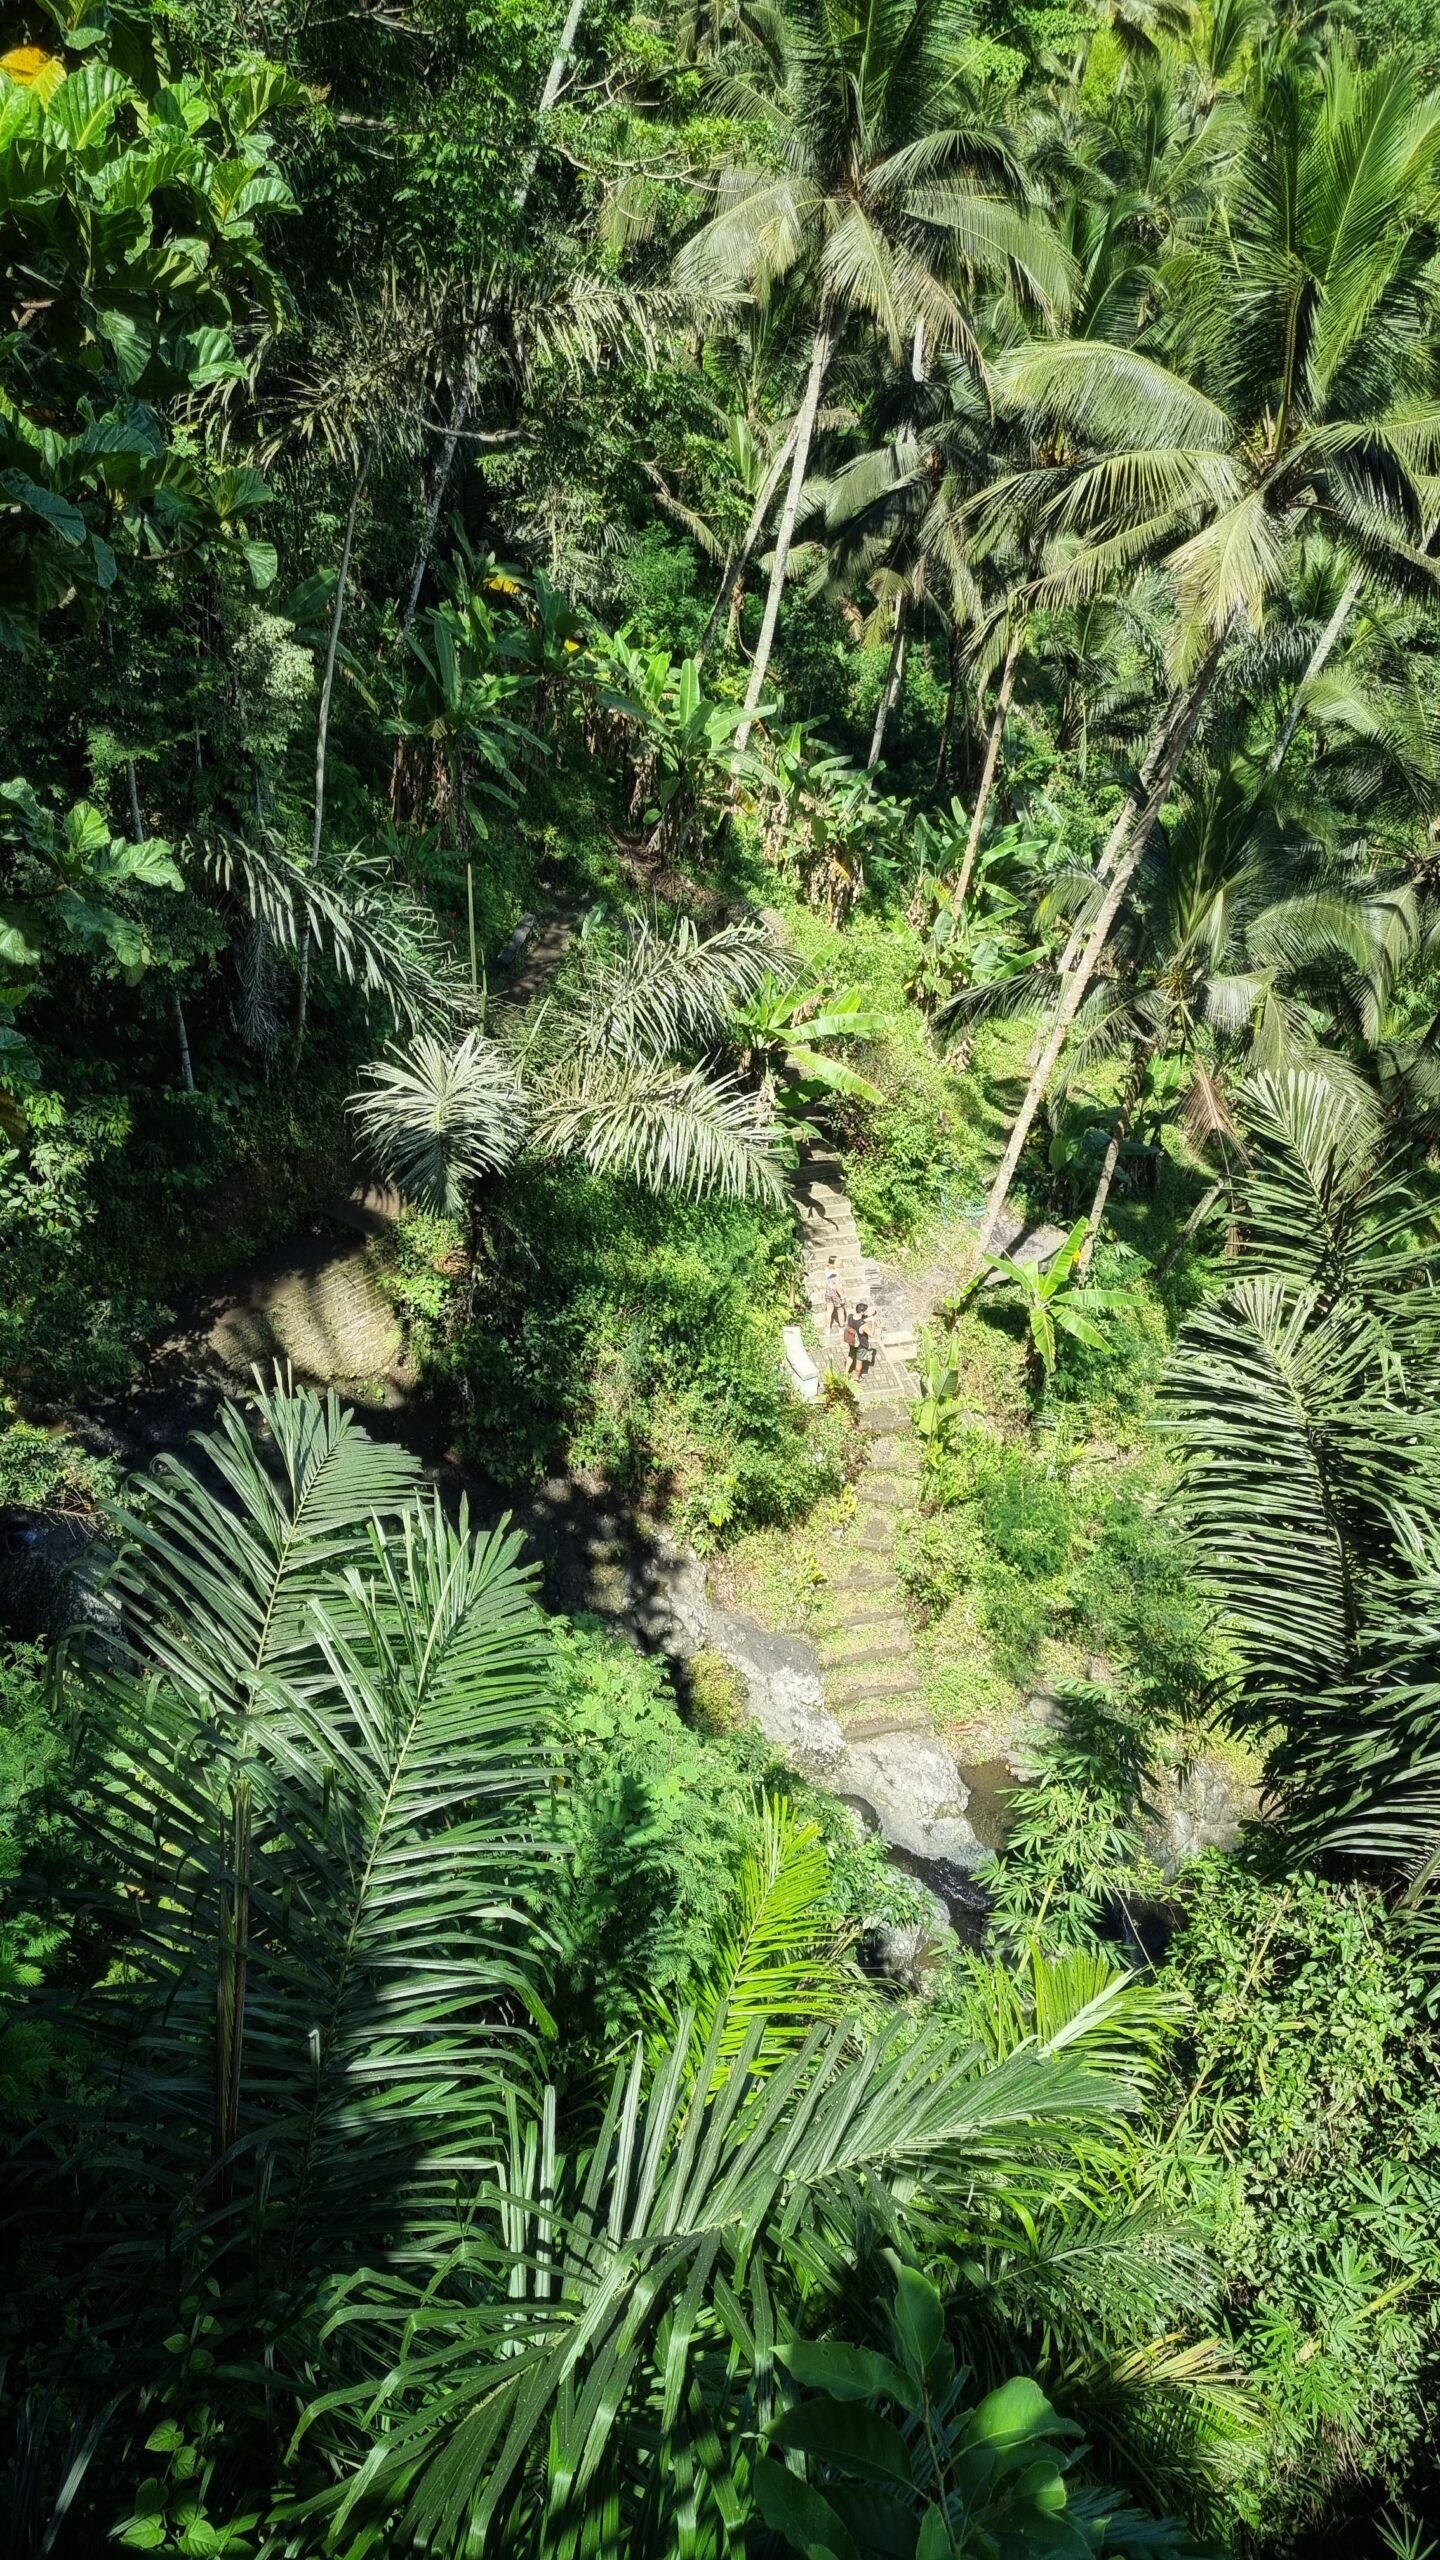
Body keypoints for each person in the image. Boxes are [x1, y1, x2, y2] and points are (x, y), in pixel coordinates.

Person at [846, 1299, 873, 1379]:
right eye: (865, 1311)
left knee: (851, 1355)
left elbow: (855, 1322)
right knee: (859, 1361)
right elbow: (871, 1334)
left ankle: (846, 1372)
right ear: (862, 1312)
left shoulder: (850, 1317)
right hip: (861, 1345)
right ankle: (856, 1377)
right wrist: (873, 1321)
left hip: (852, 1341)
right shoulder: (862, 1324)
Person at [824, 1258, 846, 1331]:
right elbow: (837, 1287)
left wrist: (830, 1262)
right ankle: (841, 1327)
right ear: (833, 1263)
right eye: (838, 1261)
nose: (840, 1262)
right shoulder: (836, 1274)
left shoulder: (827, 1270)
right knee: (840, 1310)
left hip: (828, 1292)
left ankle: (827, 1328)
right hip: (836, 1294)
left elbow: (827, 1263)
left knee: (829, 1310)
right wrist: (842, 1296)